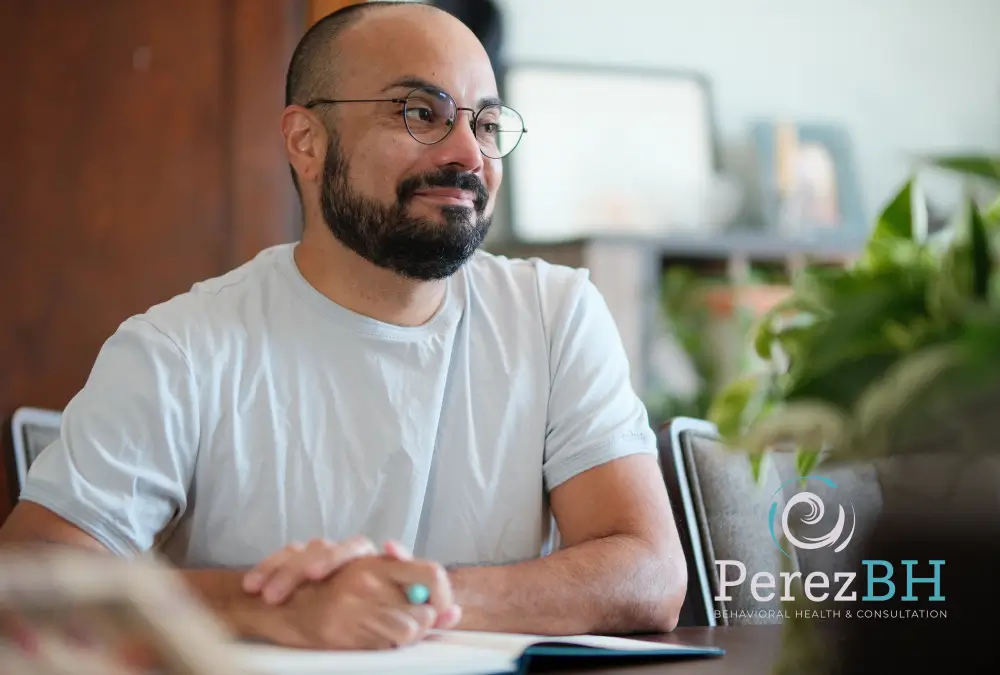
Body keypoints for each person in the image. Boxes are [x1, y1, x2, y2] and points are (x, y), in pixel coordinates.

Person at [0, 0, 687, 650]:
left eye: (484, 124)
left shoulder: (555, 314)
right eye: (422, 113)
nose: (468, 156)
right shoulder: (179, 347)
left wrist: (421, 597)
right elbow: (26, 581)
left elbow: (650, 572)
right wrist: (272, 606)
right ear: (306, 141)